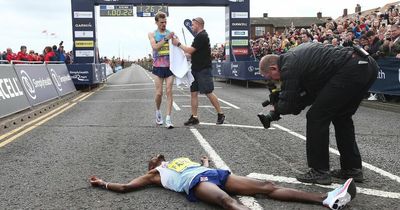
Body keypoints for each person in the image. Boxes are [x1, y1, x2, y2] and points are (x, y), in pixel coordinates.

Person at [259, 42, 379, 185]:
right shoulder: (298, 61)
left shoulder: (289, 66)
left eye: (269, 77)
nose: (272, 81)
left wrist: (276, 109)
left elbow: (288, 105)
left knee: (316, 117)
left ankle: (319, 171)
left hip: (350, 67)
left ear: (273, 68)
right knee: (342, 117)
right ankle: (352, 169)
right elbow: (310, 97)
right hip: (367, 65)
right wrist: (283, 105)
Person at [90, 155, 356, 210]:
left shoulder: (177, 160)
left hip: (212, 174)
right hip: (195, 184)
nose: (157, 156)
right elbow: (125, 187)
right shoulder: (152, 175)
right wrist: (103, 182)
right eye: (153, 158)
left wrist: (205, 163)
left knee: (266, 187)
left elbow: (197, 167)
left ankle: (327, 199)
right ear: (150, 167)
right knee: (226, 202)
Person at [171, 17, 225, 125]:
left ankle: (220, 114)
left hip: (203, 69)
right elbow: (192, 53)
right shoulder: (198, 37)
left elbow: (190, 50)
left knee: (208, 92)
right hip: (195, 69)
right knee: (193, 93)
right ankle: (194, 117)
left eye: (193, 25)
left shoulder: (202, 36)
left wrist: (178, 44)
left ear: (199, 24)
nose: (191, 27)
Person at [148, 12, 175, 129]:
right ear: (156, 22)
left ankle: (168, 118)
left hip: (170, 67)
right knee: (159, 93)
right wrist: (166, 39)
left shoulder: (170, 33)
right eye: (161, 22)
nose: (164, 24)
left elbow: (177, 46)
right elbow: (155, 47)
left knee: (169, 91)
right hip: (158, 66)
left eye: (165, 22)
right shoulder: (152, 34)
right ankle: (158, 112)